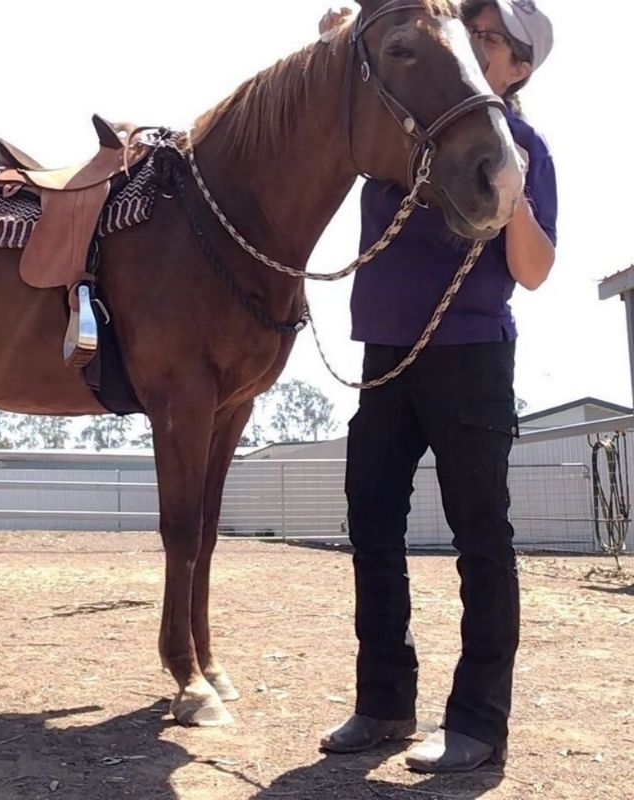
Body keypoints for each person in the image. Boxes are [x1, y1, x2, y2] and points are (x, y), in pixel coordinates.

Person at [319, 0, 557, 773]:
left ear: (519, 66)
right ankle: (384, 704)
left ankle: (478, 723)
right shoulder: (404, 129)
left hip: (471, 357)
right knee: (373, 532)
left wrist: (513, 190)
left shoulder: (522, 146)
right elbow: (348, 99)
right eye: (472, 32)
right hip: (388, 356)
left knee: (481, 541)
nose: (476, 44)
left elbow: (533, 271)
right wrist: (331, 47)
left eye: (492, 39)